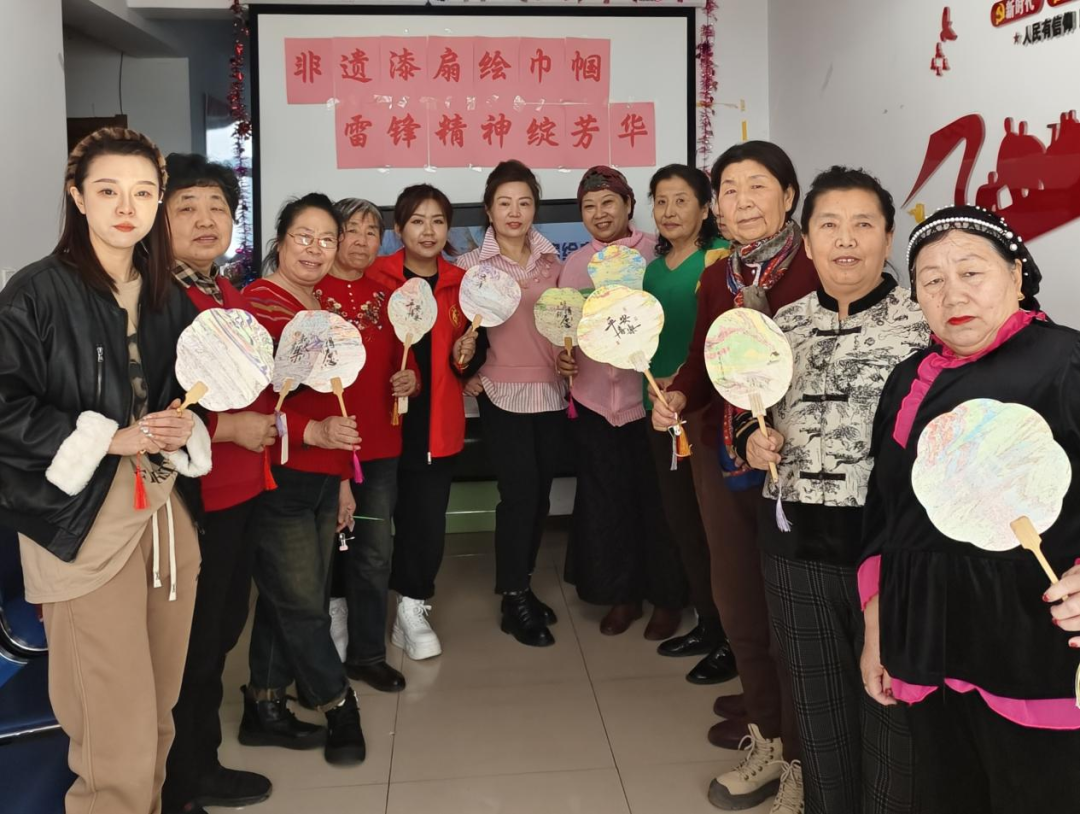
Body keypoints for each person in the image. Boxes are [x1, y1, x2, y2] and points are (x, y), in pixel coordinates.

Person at [0, 127, 210, 814]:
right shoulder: (35, 293)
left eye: (143, 193)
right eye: (108, 190)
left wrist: (181, 423)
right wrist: (108, 438)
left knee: (157, 715)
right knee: (113, 735)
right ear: (77, 197)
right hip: (81, 525)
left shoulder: (166, 294)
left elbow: (185, 392)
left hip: (163, 513)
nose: (127, 207)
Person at [860, 204, 1080, 813]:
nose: (951, 293)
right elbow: (886, 516)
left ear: (1017, 274)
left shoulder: (1065, 362)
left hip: (1034, 645)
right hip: (930, 639)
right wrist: (878, 629)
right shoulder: (908, 378)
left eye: (971, 272)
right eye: (931, 279)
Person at [739, 167, 927, 813]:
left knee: (892, 719)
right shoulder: (779, 327)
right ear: (809, 240)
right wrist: (751, 440)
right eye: (830, 225)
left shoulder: (924, 328)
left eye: (863, 224)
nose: (846, 240)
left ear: (888, 237)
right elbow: (749, 412)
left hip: (894, 557)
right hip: (794, 550)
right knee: (818, 719)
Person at [653, 141, 815, 813]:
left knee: (797, 618)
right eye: (729, 189)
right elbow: (701, 357)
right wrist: (677, 395)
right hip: (726, 458)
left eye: (757, 186)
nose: (742, 201)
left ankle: (806, 760)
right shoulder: (720, 275)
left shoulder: (816, 267)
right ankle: (768, 740)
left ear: (788, 195)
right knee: (742, 605)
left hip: (799, 469)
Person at [162, 153, 275, 814]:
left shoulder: (224, 292)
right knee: (193, 647)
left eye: (218, 208)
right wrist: (228, 428)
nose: (206, 220)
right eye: (187, 207)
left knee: (220, 632)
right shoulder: (159, 299)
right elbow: (150, 405)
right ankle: (181, 785)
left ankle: (198, 765)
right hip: (196, 501)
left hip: (242, 491)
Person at [241, 193, 366, 765]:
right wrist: (313, 432)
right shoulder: (256, 306)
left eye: (327, 240)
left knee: (289, 595)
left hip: (320, 476)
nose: (316, 250)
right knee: (301, 602)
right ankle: (339, 704)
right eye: (303, 237)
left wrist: (341, 480)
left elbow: (335, 404)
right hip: (277, 476)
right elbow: (245, 402)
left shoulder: (321, 306)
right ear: (280, 241)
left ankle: (264, 705)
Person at [559, 166, 687, 637]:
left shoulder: (656, 254)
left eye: (608, 202)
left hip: (648, 404)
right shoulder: (574, 266)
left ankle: (668, 599)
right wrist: (562, 358)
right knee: (606, 505)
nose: (600, 213)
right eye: (589, 206)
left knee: (659, 504)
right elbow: (566, 332)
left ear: (629, 205)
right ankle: (623, 596)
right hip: (594, 405)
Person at [368, 185, 479, 661]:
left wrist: (467, 356)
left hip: (435, 427)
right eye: (417, 221)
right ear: (399, 229)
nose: (428, 231)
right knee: (370, 528)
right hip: (380, 427)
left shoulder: (462, 284)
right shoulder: (375, 277)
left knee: (425, 525)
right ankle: (350, 611)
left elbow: (469, 361)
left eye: (438, 221)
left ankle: (411, 609)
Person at [457, 160, 564, 647]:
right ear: (488, 209)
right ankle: (513, 598)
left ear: (535, 208)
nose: (515, 212)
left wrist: (568, 357)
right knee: (519, 495)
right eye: (504, 203)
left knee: (540, 496)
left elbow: (562, 325)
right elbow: (454, 337)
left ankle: (523, 582)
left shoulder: (552, 264)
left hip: (551, 390)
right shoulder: (470, 268)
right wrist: (466, 374)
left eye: (524, 202)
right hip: (501, 391)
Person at [315, 197, 418, 692]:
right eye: (351, 230)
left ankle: (367, 655)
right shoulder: (310, 293)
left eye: (371, 231)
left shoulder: (389, 294)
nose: (361, 240)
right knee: (316, 557)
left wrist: (411, 381)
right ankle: (312, 657)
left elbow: (406, 363)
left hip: (377, 448)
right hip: (321, 448)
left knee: (374, 553)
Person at [643, 163, 736, 677]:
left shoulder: (718, 260)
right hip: (659, 413)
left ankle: (733, 636)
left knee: (715, 527)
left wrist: (682, 383)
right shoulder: (653, 271)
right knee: (682, 522)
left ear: (705, 209)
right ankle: (707, 621)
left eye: (682, 200)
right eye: (661, 201)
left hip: (703, 414)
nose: (669, 211)